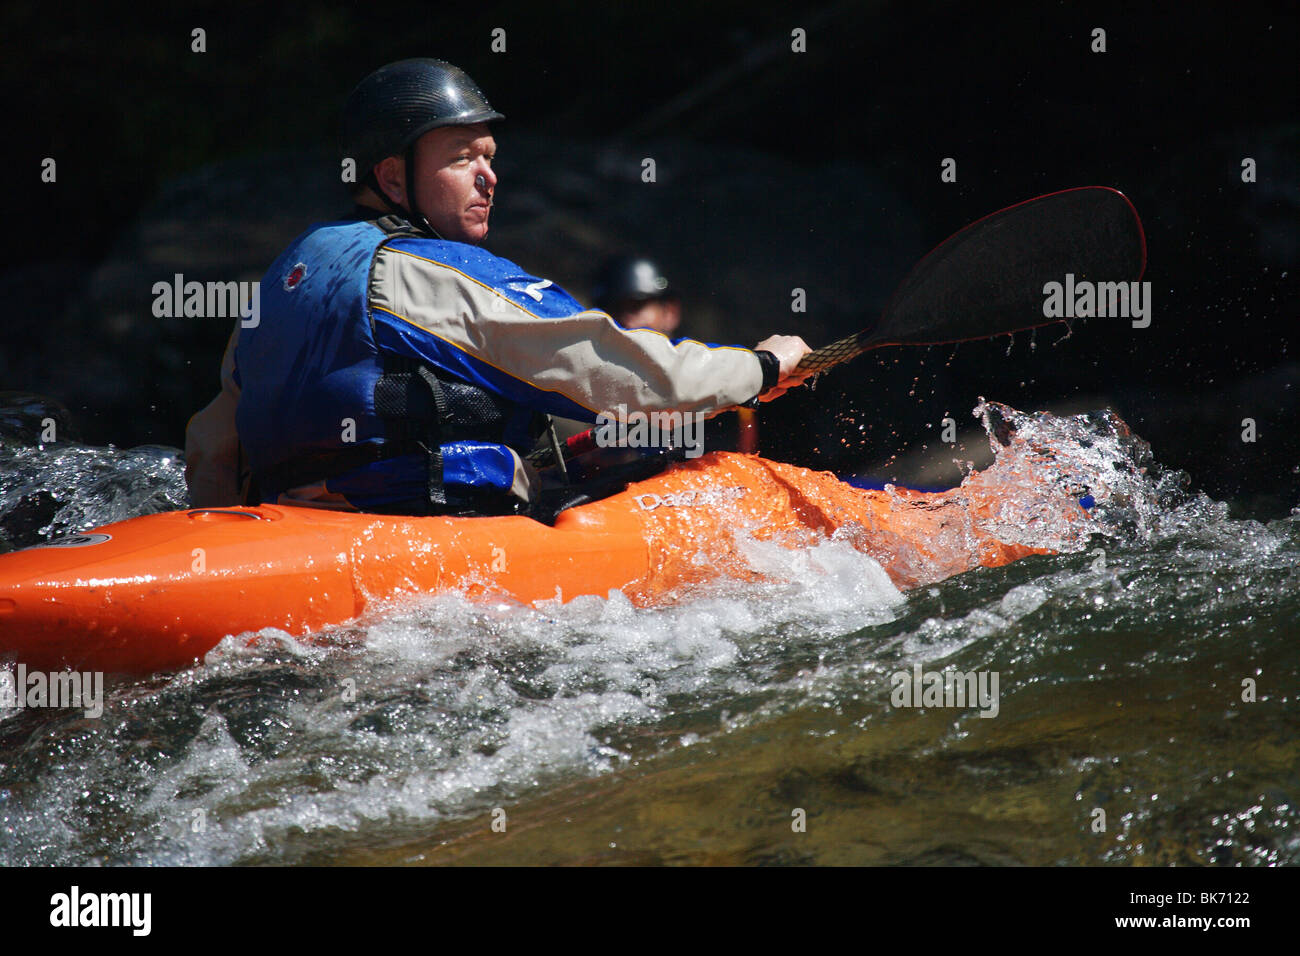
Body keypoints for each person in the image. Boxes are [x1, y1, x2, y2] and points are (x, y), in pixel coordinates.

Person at [185, 58, 811, 515]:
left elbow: (210, 443)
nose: (488, 178)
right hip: (430, 546)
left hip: (284, 535)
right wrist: (760, 367)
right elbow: (626, 376)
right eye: (461, 158)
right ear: (393, 180)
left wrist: (213, 540)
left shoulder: (283, 279)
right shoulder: (428, 273)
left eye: (489, 157)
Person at [591, 256, 681, 335]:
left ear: (670, 313)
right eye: (616, 309)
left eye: (636, 307)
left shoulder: (691, 353)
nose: (626, 322)